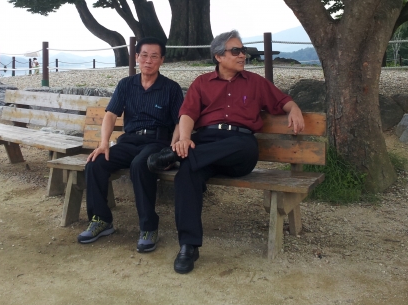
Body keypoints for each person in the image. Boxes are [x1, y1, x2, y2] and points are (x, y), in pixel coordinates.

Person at [147, 30, 305, 274]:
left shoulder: (255, 82)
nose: (243, 55)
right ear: (219, 56)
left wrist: (294, 109)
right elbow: (187, 113)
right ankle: (188, 246)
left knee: (239, 146)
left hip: (239, 149)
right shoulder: (202, 83)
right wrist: (185, 139)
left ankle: (177, 155)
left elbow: (283, 101)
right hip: (207, 142)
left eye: (243, 51)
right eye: (236, 51)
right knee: (187, 173)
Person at [77, 37, 184, 253]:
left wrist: (172, 148)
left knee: (140, 165)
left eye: (154, 56)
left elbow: (180, 120)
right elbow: (110, 114)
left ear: (162, 60)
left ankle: (148, 227)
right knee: (96, 163)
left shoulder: (171, 88)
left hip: (156, 141)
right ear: (136, 57)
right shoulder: (126, 85)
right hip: (129, 140)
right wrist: (104, 144)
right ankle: (101, 220)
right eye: (144, 55)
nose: (148, 61)